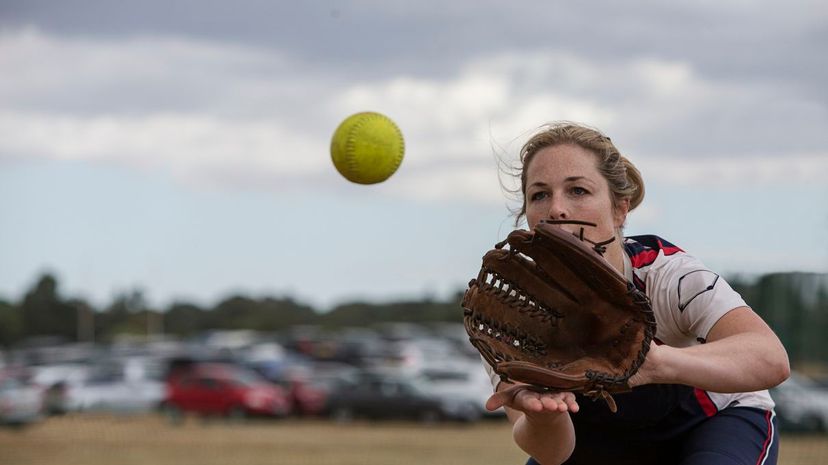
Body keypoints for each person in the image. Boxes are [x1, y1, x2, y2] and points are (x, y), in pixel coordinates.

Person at [482, 122, 790, 465]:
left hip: (711, 422)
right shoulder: (510, 312)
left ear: (620, 209)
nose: (556, 209)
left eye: (578, 190)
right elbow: (552, 454)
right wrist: (544, 415)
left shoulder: (665, 273)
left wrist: (656, 364)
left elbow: (770, 359)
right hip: (599, 440)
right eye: (539, 195)